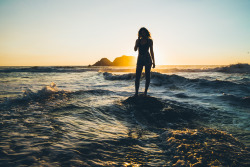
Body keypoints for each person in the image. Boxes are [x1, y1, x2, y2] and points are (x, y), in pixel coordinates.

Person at [134, 27, 155, 96]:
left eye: (144, 32)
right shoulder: (138, 40)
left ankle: (145, 92)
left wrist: (153, 61)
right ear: (140, 33)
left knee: (147, 76)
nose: (143, 34)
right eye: (141, 32)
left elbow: (151, 51)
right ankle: (136, 92)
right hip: (140, 59)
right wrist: (136, 44)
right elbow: (135, 49)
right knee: (137, 76)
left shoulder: (150, 41)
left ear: (146, 33)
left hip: (147, 59)